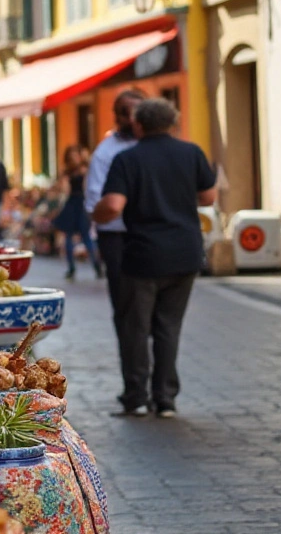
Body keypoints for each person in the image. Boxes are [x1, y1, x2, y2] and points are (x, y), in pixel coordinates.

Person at [94, 98, 217, 418]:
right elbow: (208, 196)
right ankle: (165, 399)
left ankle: (135, 397)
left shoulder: (127, 159)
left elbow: (113, 206)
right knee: (168, 326)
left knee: (135, 327)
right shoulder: (191, 153)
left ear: (138, 124)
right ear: (173, 122)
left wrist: (96, 214)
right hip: (186, 253)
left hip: (143, 254)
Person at [85, 89, 147, 318]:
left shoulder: (156, 147)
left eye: (136, 112)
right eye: (124, 112)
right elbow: (97, 204)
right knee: (125, 306)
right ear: (116, 115)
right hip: (117, 237)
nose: (130, 118)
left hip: (151, 235)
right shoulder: (106, 151)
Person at [53, 145, 102, 280]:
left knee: (85, 237)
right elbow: (64, 189)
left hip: (79, 203)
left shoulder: (82, 170)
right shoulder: (75, 171)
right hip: (75, 202)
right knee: (71, 237)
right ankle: (74, 267)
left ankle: (95, 266)